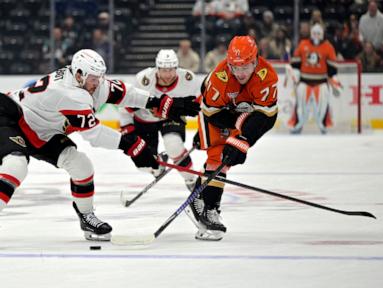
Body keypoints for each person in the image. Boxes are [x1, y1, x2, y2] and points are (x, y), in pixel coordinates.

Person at [0, 49, 200, 242]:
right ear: (79, 74)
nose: (98, 83)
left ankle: (86, 217)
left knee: (82, 166)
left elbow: (126, 94)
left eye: (100, 77)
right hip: (11, 117)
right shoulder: (69, 93)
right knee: (16, 166)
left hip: (42, 131)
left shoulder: (89, 81)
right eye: (93, 78)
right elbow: (94, 135)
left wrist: (163, 103)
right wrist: (133, 145)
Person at [188, 36, 278, 241]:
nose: (240, 72)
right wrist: (235, 132)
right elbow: (211, 113)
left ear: (255, 61)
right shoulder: (220, 77)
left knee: (227, 159)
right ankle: (209, 207)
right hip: (213, 111)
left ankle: (199, 196)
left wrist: (243, 139)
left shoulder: (267, 76)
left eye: (245, 66)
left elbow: (267, 117)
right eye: (235, 67)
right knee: (218, 158)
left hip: (240, 115)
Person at [119, 49, 200, 191]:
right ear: (157, 68)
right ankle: (157, 167)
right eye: (164, 70)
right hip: (144, 121)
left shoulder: (188, 79)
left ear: (177, 68)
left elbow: (202, 105)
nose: (168, 75)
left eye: (171, 70)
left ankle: (191, 179)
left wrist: (205, 128)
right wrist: (127, 128)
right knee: (144, 163)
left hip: (171, 117)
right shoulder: (143, 80)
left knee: (173, 145)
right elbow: (125, 106)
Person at [288, 24, 341, 134]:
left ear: (322, 35)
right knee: (300, 108)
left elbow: (332, 70)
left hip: (321, 82)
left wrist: (335, 83)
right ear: (311, 34)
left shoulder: (328, 47)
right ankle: (297, 125)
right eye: (314, 33)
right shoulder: (303, 44)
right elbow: (296, 64)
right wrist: (295, 76)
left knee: (322, 106)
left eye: (318, 33)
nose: (316, 36)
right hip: (304, 81)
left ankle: (323, 125)